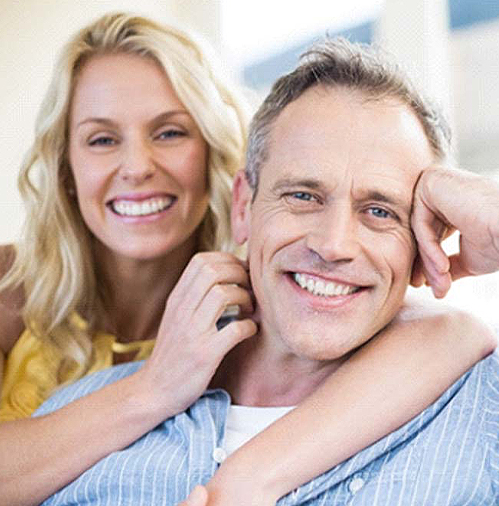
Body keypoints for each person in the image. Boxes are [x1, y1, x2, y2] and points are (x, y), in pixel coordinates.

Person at [34, 37, 499, 506]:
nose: (333, 245)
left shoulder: (484, 407)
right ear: (243, 205)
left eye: (380, 211)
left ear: (427, 236)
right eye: (302, 196)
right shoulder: (75, 426)